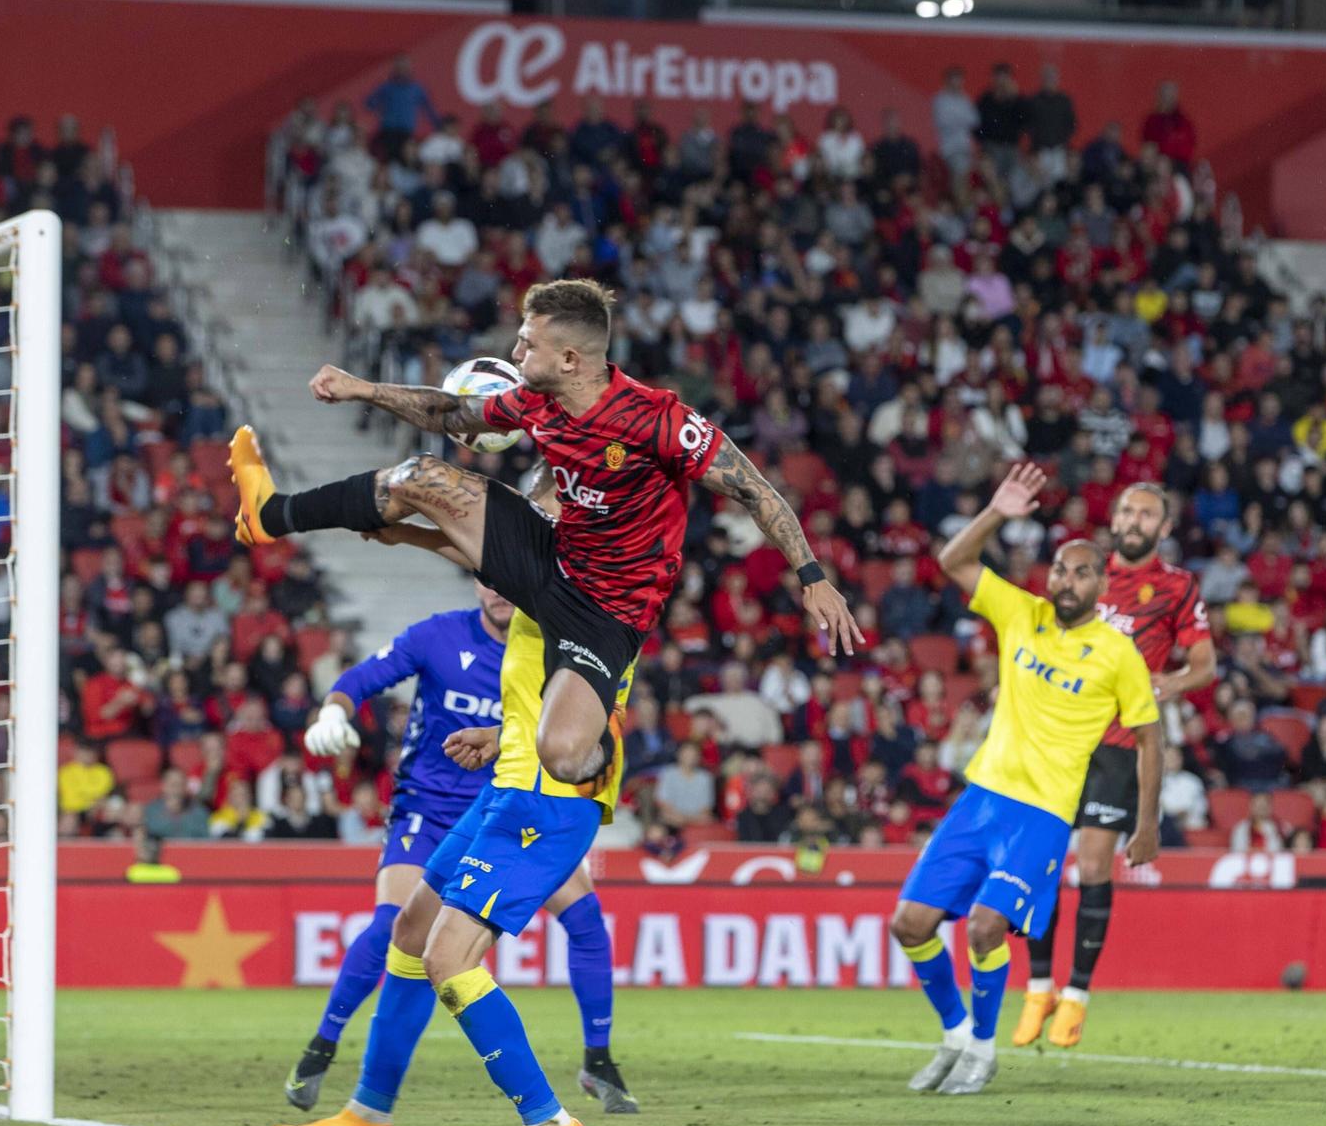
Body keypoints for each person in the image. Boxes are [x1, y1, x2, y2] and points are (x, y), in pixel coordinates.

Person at [228, 278, 862, 792]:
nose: (514, 355)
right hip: (551, 557)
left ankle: (601, 755)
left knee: (560, 757)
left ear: (570, 358)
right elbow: (452, 413)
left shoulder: (658, 420)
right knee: (419, 476)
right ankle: (270, 513)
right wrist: (361, 390)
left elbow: (753, 487)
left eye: (527, 344)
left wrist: (812, 578)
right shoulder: (537, 402)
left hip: (608, 614)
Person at [268, 483, 642, 1126]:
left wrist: (396, 523)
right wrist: (504, 732)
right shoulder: (554, 577)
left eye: (543, 504)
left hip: (546, 799)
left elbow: (474, 546)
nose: (528, 516)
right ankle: (366, 1117)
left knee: (450, 956)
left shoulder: (582, 574)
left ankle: (549, 1121)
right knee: (411, 928)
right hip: (510, 783)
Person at [890, 463, 1159, 1097]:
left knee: (985, 929)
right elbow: (952, 560)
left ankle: (982, 1051)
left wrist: (1146, 824)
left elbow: (1151, 737)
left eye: (1083, 572)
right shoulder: (1023, 612)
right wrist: (996, 513)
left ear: (1102, 585)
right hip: (981, 799)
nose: (1068, 580)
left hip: (1041, 815)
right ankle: (956, 1034)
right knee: (909, 924)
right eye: (1061, 569)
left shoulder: (1119, 653)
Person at [280, 588, 510, 1111]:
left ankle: (596, 1059)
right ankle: (324, 1043)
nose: (497, 591)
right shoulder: (439, 635)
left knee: (446, 953)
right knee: (394, 923)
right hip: (424, 812)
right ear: (475, 580)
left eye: (506, 578)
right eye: (486, 577)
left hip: (496, 819)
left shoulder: (546, 649)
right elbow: (361, 678)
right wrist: (334, 713)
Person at [1016, 483, 1213, 1049]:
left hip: (1119, 744)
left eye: (1147, 512)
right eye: (1127, 509)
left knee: (1094, 863)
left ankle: (1076, 994)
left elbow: (1203, 663)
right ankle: (1038, 986)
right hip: (1058, 739)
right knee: (1042, 866)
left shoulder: (1176, 587)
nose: (1133, 519)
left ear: (1164, 527)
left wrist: (1167, 684)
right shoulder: (1081, 573)